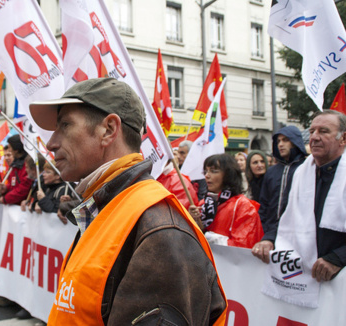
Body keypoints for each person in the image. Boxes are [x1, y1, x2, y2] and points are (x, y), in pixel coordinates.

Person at [30, 77, 226, 325]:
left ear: (109, 130)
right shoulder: (110, 207)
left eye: (65, 125)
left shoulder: (160, 230)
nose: (51, 143)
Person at [254, 110, 346, 282]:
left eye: (324, 131)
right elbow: (286, 216)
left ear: (343, 138)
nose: (315, 137)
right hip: (304, 277)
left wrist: (338, 258)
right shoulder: (301, 173)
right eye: (312, 132)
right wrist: (269, 239)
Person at [252, 126, 307, 262]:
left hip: (298, 235)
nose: (281, 144)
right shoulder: (271, 172)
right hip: (269, 236)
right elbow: (264, 205)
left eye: (285, 140)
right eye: (278, 141)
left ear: (295, 141)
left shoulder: (306, 168)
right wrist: (264, 231)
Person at [189, 153, 264, 249]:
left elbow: (244, 246)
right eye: (206, 171)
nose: (207, 175)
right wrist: (191, 220)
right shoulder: (203, 204)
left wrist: (210, 238)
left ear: (228, 175)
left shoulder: (243, 206)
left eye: (213, 171)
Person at [0, 136, 33, 206]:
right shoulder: (14, 165)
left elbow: (23, 189)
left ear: (16, 149)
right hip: (15, 206)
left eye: (9, 147)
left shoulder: (27, 164)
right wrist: (5, 188)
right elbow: (13, 184)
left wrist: (4, 199)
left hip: (23, 208)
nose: (8, 149)